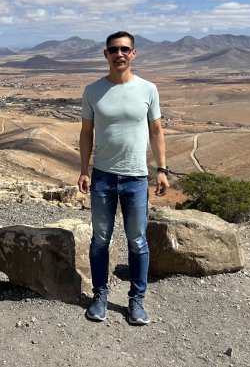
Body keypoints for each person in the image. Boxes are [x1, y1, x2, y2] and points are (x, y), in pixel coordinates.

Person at [77, 30, 169, 325]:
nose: (119, 54)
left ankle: (137, 300)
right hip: (103, 177)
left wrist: (162, 169)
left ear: (133, 53)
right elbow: (86, 133)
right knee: (100, 240)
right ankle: (100, 295)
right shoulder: (93, 90)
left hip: (136, 178)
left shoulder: (148, 89)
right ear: (106, 54)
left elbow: (156, 131)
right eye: (114, 49)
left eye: (125, 49)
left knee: (138, 241)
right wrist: (84, 169)